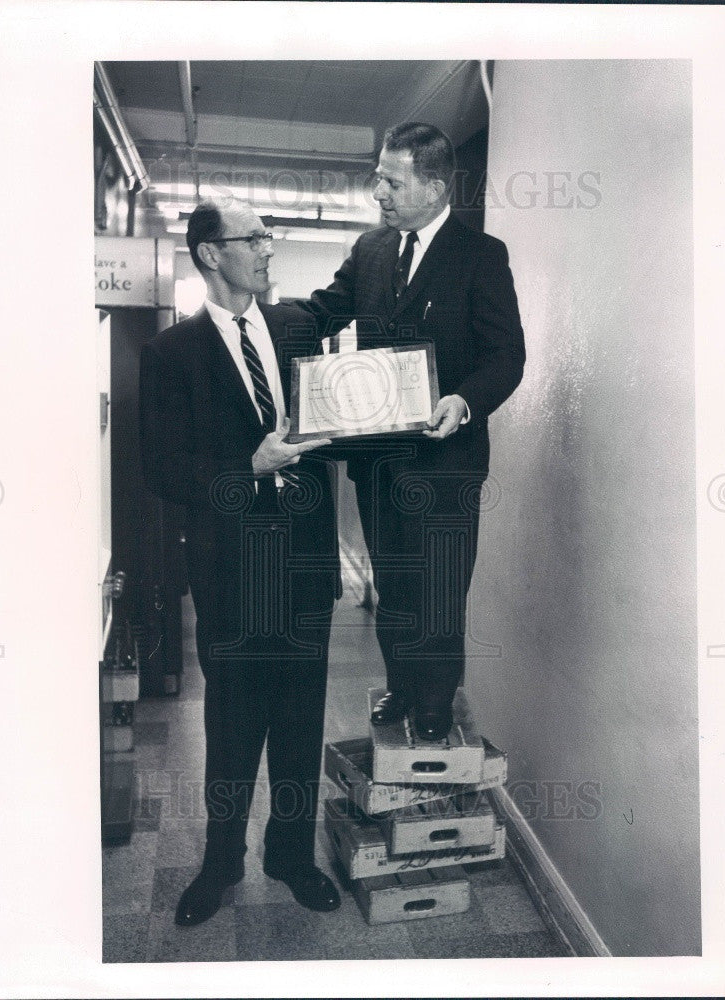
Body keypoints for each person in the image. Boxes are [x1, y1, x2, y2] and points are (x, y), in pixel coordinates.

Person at [139, 197, 341, 927]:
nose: (267, 249)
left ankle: (290, 855)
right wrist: (247, 465)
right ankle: (220, 862)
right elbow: (162, 469)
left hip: (307, 564)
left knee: (299, 721)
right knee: (230, 726)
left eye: (267, 236)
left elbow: (333, 417)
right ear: (209, 254)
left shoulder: (295, 329)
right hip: (231, 572)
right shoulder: (169, 354)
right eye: (252, 238)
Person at [299, 122, 525, 743]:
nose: (378, 192)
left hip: (446, 463)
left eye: (391, 180)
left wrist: (464, 399)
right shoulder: (371, 251)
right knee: (394, 580)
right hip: (378, 461)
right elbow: (325, 308)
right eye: (379, 177)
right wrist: (258, 320)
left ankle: (434, 701)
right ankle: (401, 684)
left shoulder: (482, 257)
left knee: (441, 588)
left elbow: (506, 356)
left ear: (432, 186)